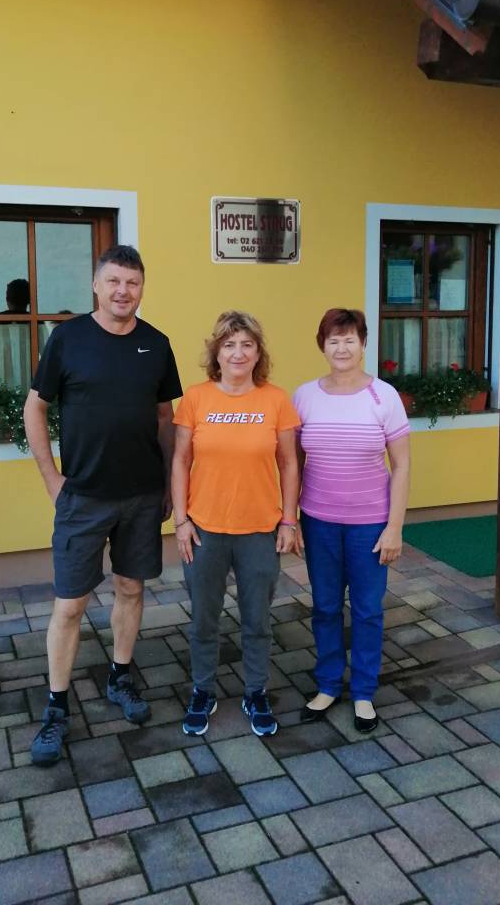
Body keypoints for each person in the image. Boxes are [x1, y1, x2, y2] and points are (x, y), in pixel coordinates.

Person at [24, 244, 182, 766]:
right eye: (113, 281)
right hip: (84, 498)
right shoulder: (68, 339)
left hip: (141, 496)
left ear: (142, 288)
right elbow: (34, 409)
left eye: (132, 283)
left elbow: (165, 418)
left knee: (131, 588)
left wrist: (168, 483)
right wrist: (52, 480)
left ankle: (120, 675)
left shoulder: (156, 344)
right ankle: (56, 706)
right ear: (96, 285)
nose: (123, 291)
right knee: (70, 604)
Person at [171, 311, 299, 737]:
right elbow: (180, 461)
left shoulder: (276, 400)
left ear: (258, 353)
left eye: (247, 345)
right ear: (217, 353)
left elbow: (289, 463)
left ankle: (255, 691)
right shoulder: (196, 398)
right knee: (204, 619)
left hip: (260, 530)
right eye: (229, 345)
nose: (238, 353)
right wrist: (181, 521)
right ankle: (202, 690)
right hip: (204, 529)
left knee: (257, 619)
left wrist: (289, 520)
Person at [293, 308, 410, 732]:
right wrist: (291, 518)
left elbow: (402, 465)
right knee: (325, 606)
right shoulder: (304, 396)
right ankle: (328, 684)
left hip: (370, 525)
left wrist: (394, 527)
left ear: (363, 344)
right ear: (322, 346)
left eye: (349, 339)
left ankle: (362, 691)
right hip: (319, 521)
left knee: (366, 610)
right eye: (333, 340)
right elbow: (294, 463)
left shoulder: (384, 396)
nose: (341, 348)